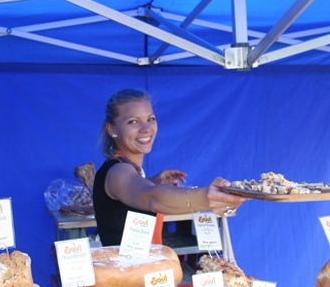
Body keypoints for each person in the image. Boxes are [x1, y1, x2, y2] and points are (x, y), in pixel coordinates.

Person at [93, 88, 247, 247]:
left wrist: (153, 181)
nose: (146, 128)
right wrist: (207, 197)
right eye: (133, 121)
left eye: (151, 119)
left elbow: (133, 195)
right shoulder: (118, 171)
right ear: (112, 129)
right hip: (126, 271)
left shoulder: (127, 168)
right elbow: (151, 197)